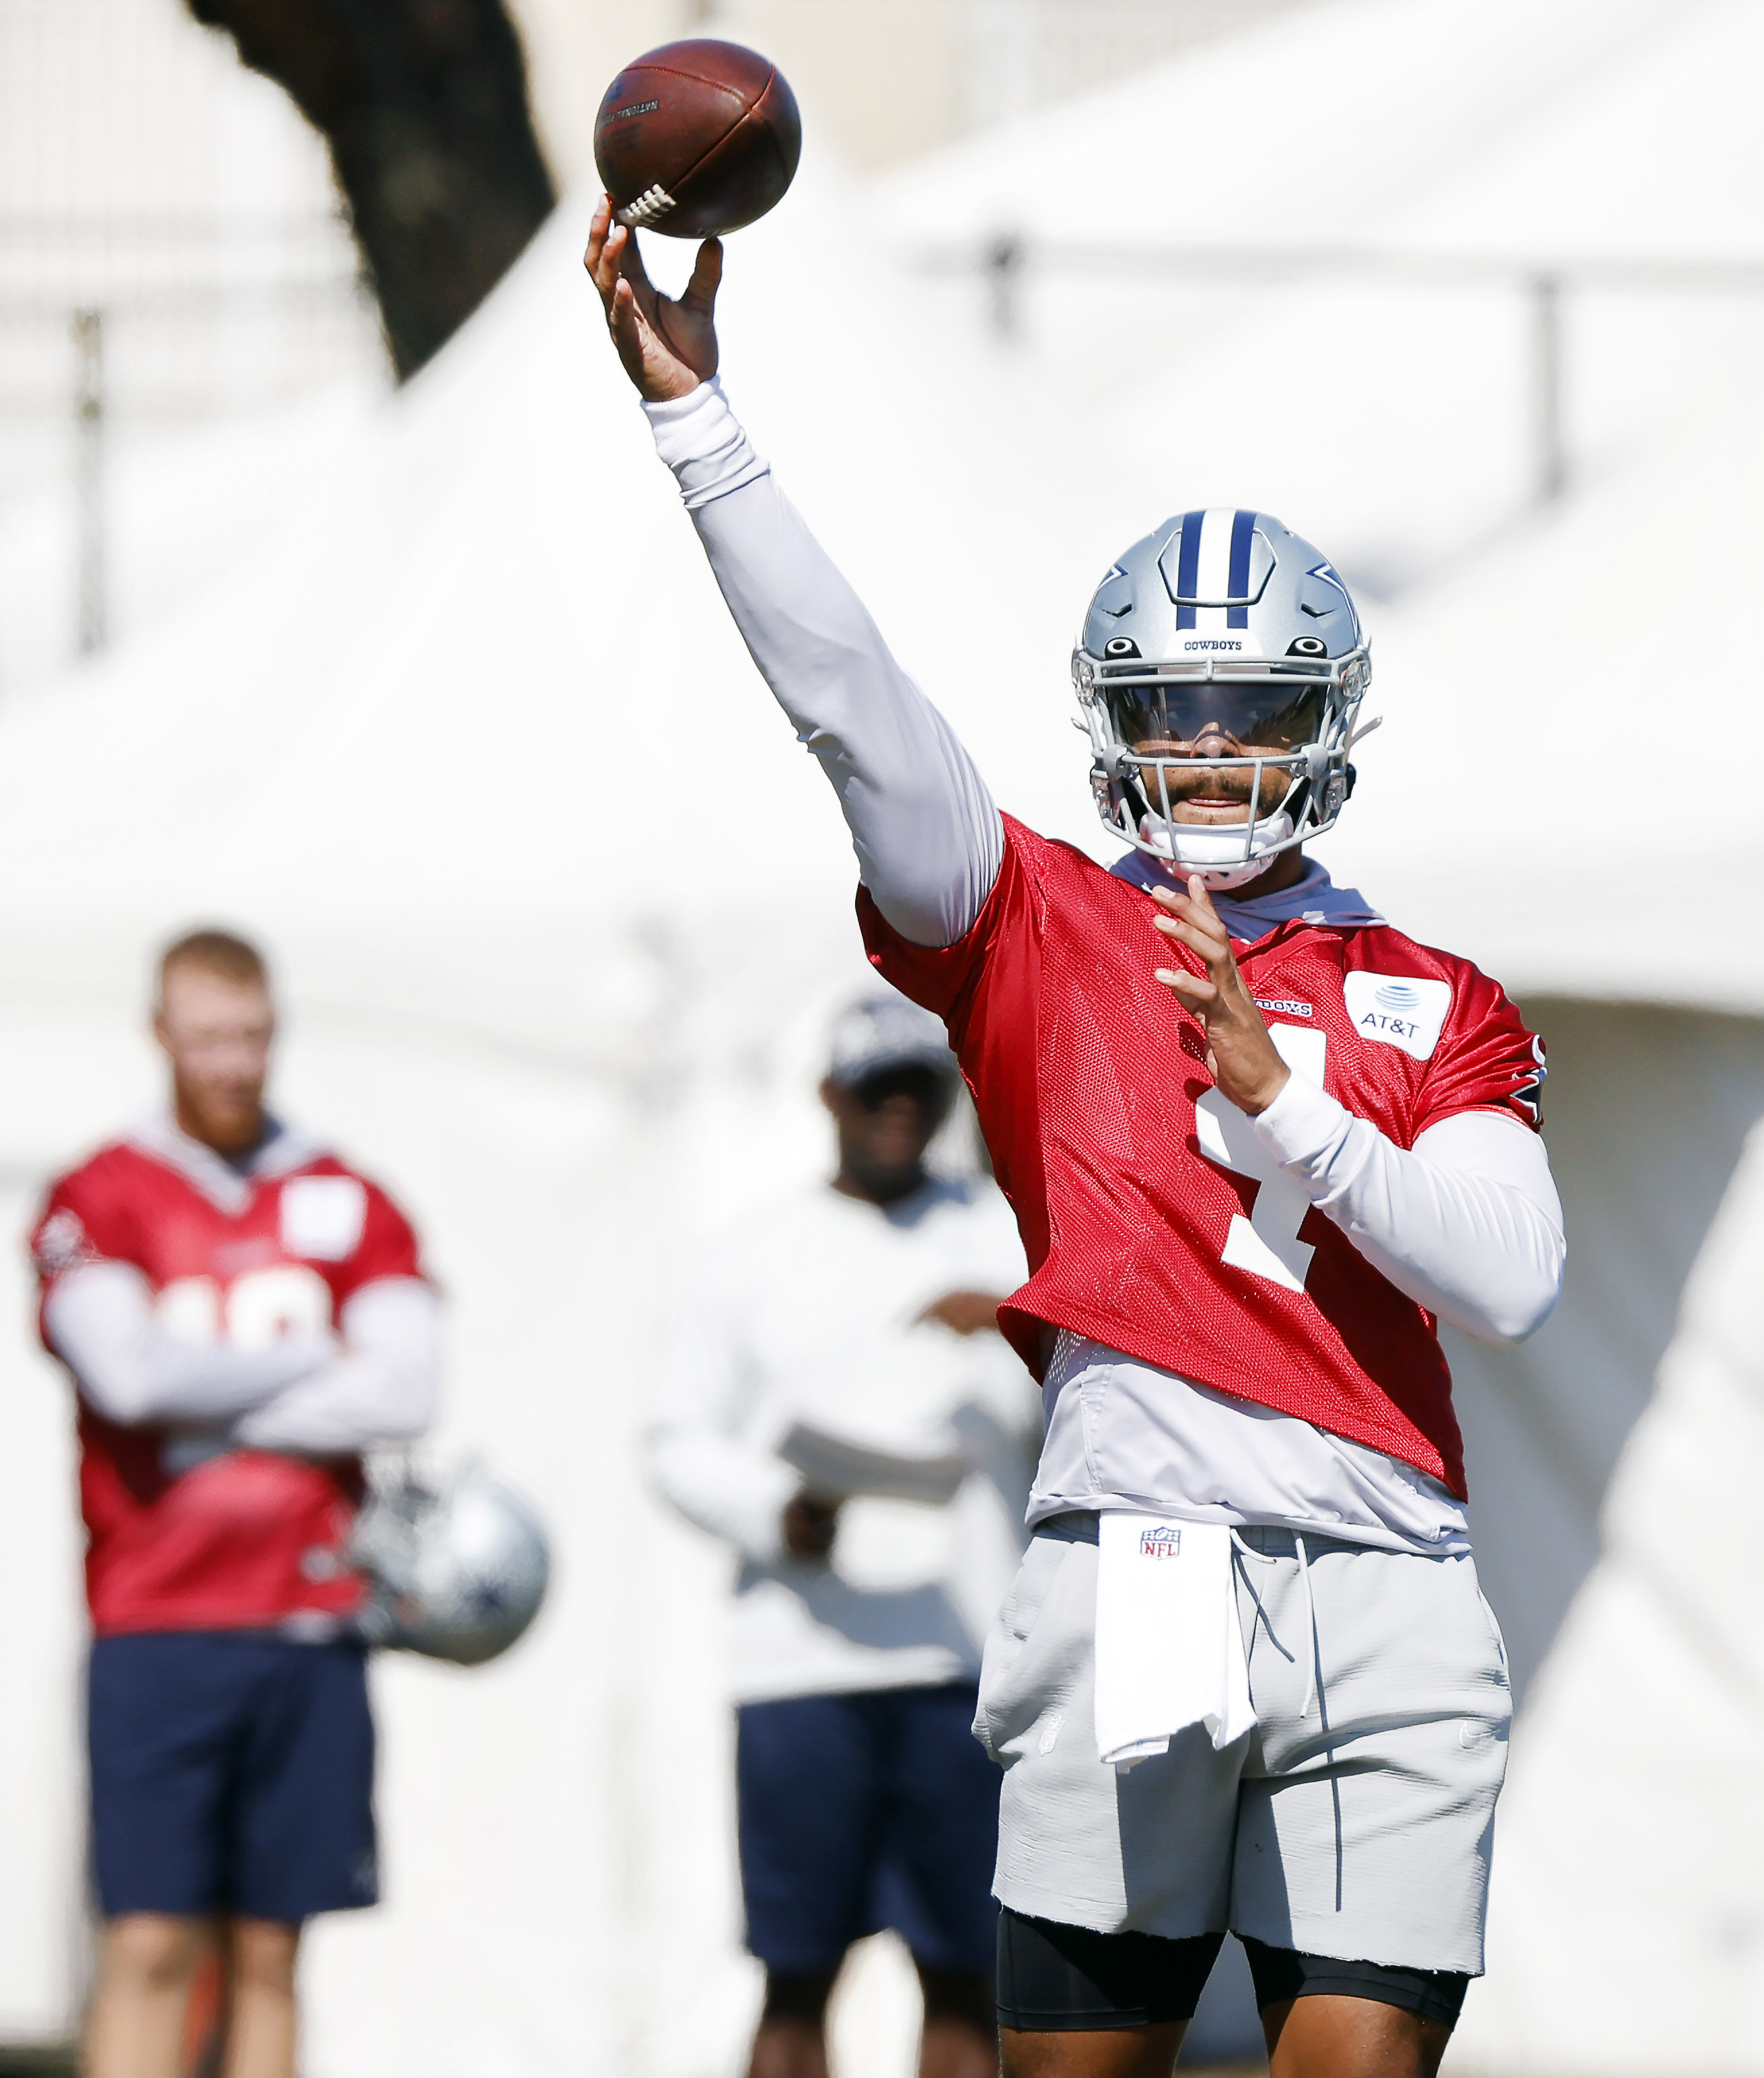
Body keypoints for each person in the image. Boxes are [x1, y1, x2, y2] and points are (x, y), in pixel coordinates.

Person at [585, 209, 1566, 2078]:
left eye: (1247, 714)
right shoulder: (1034, 922)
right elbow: (851, 712)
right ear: (1110, 727)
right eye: (1167, 717)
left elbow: (1510, 1279)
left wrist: (1289, 1108)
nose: (1205, 756)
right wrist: (700, 423)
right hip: (1146, 1560)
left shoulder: (1431, 991)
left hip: (1380, 1571)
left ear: (1325, 726)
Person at [28, 929, 442, 2078]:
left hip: (307, 1623)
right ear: (161, 1035)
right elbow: (130, 1375)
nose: (231, 1062)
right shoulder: (99, 1194)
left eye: (250, 1035)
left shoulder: (345, 1194)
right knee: (150, 1937)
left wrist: (214, 1406)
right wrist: (318, 1362)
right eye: (207, 1036)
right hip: (156, 1624)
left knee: (272, 1948)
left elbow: (409, 1386)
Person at [651, 990, 1035, 2078]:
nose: (898, 1111)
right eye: (876, 1088)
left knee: (966, 1974)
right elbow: (672, 1440)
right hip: (797, 1664)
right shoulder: (745, 1255)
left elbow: (1108, 1401)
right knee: (795, 1975)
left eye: (920, 1086)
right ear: (827, 1096)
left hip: (965, 1659)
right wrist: (776, 1512)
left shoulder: (1009, 1239)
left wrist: (1018, 1317)